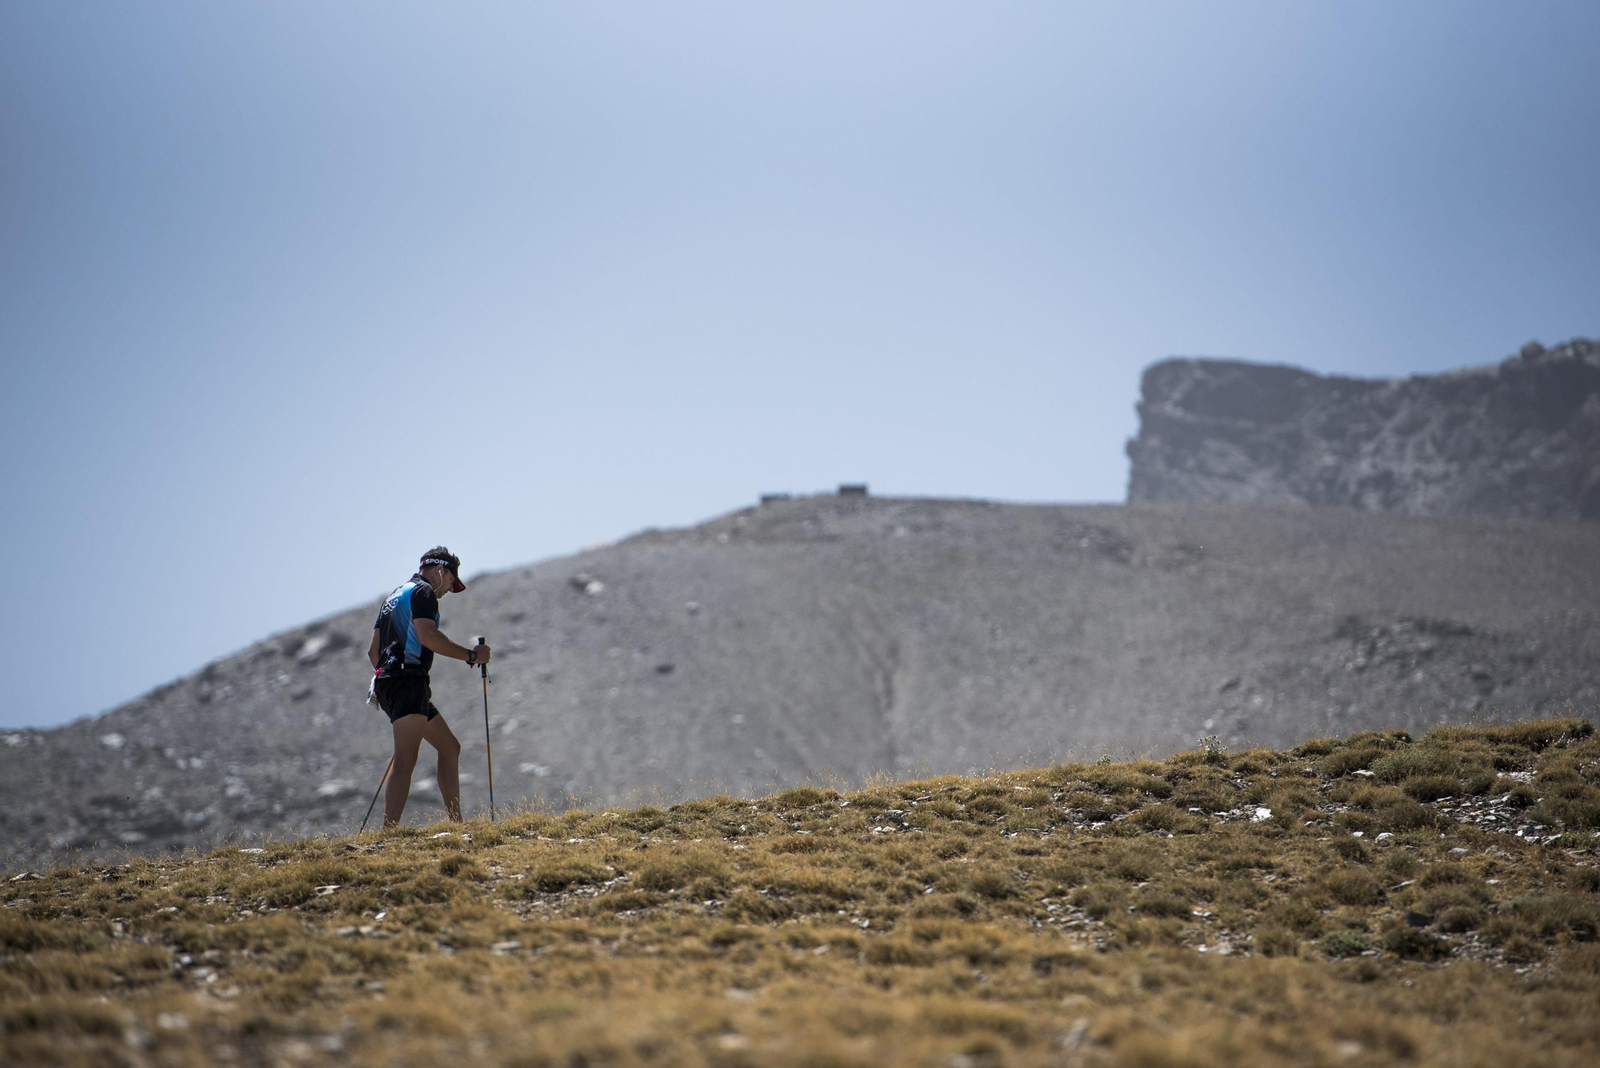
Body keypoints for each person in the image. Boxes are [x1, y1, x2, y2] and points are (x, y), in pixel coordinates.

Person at [367, 547, 490, 827]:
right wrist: (471, 656)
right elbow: (428, 636)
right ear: (440, 571)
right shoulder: (423, 592)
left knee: (449, 747)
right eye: (450, 583)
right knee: (406, 760)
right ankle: (388, 835)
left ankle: (456, 824)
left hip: (389, 682)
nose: (449, 589)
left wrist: (386, 678)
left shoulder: (394, 596)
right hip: (408, 680)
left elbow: (372, 651)